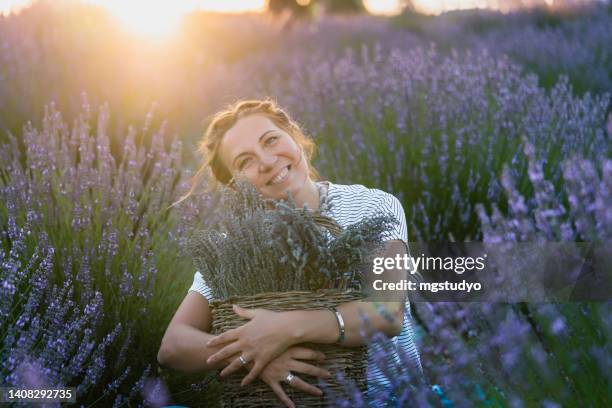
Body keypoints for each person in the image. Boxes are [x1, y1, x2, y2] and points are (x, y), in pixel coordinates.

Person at [157, 99, 422, 407]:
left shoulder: (372, 207)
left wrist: (285, 329)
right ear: (235, 185)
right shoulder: (235, 247)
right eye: (245, 162)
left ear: (293, 134)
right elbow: (173, 345)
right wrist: (256, 354)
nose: (267, 161)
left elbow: (387, 312)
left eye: (271, 140)